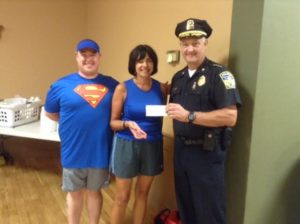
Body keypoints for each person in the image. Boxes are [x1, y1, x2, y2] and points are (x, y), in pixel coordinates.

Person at [166, 18, 242, 224]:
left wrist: (190, 116)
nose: (190, 49)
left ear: (205, 43)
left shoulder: (219, 74)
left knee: (209, 212)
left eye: (195, 43)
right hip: (181, 152)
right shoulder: (178, 77)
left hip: (206, 155)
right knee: (186, 208)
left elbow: (230, 116)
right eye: (185, 44)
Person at [44, 39, 118, 224]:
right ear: (76, 57)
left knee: (94, 193)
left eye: (92, 55)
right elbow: (50, 112)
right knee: (75, 194)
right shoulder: (60, 85)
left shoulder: (113, 85)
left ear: (99, 57)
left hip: (100, 151)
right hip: (73, 151)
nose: (88, 59)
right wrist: (73, 123)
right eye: (83, 55)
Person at [110, 44, 168, 224]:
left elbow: (162, 115)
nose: (145, 65)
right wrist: (128, 124)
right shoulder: (123, 88)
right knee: (122, 197)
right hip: (127, 144)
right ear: (133, 65)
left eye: (149, 60)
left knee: (143, 194)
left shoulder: (162, 88)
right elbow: (113, 122)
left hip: (152, 145)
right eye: (140, 61)